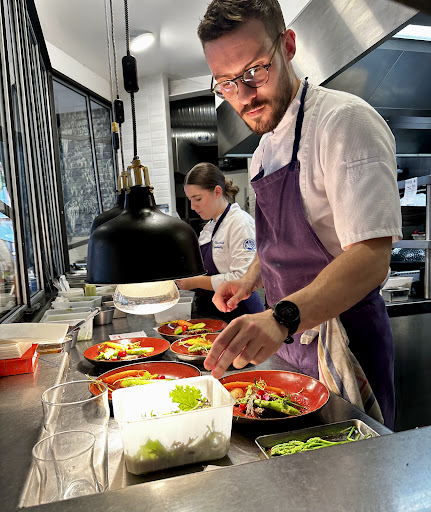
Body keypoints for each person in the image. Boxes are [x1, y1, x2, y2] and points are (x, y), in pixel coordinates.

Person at [197, 0, 402, 428]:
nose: (244, 95)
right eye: (227, 84)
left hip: (345, 343)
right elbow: (278, 242)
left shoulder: (344, 123)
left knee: (352, 466)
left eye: (255, 71)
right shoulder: (261, 154)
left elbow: (371, 258)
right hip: (290, 346)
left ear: (288, 46)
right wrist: (249, 280)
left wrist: (281, 317)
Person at [176, 162, 264, 321]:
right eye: (190, 200)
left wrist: (195, 282)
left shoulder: (240, 223)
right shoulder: (210, 226)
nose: (193, 206)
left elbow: (243, 277)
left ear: (217, 191)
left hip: (239, 311)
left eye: (197, 199)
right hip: (215, 311)